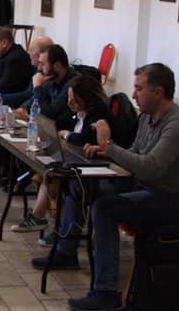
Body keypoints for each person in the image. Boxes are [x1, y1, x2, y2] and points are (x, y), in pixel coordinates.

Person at [34, 63, 179, 311]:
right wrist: (105, 152)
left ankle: (106, 292)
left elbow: (149, 168)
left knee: (105, 208)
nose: (133, 95)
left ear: (158, 92)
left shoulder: (178, 125)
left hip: (171, 199)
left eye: (139, 89)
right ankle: (66, 252)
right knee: (79, 184)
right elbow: (135, 153)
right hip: (145, 185)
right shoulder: (147, 117)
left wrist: (109, 146)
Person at [11, 75, 111, 235]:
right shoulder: (76, 112)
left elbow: (85, 138)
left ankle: (56, 226)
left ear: (87, 100)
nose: (69, 103)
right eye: (69, 98)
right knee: (48, 169)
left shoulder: (99, 114)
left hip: (91, 166)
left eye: (74, 100)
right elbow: (57, 124)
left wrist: (67, 135)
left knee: (57, 176)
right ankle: (48, 221)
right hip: (76, 159)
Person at [13, 44, 79, 122]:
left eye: (43, 64)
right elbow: (34, 99)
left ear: (57, 66)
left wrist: (37, 87)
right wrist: (22, 109)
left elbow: (50, 114)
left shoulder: (74, 85)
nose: (39, 68)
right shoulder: (51, 79)